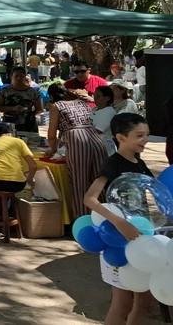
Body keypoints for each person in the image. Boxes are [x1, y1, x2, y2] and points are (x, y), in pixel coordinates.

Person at [83, 113, 154, 325]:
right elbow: (90, 199)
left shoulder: (139, 163)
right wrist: (120, 223)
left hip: (141, 237)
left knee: (143, 301)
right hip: (117, 241)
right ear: (121, 138)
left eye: (147, 135)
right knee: (122, 303)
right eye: (139, 135)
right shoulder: (113, 164)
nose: (145, 140)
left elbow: (156, 191)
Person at [46, 84, 109, 219]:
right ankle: (105, 219)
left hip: (77, 140)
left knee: (79, 182)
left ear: (51, 96)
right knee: (98, 183)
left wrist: (52, 150)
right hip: (96, 139)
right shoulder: (81, 102)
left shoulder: (57, 106)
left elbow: (51, 135)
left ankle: (82, 221)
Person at [0, 122, 37, 195]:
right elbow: (33, 166)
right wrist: (30, 180)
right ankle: (15, 205)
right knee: (25, 183)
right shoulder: (19, 142)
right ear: (10, 133)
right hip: (16, 184)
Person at [0, 67, 43, 133]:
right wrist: (13, 108)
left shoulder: (33, 92)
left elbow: (39, 109)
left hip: (29, 126)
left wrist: (30, 114)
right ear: (11, 77)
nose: (19, 78)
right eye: (16, 76)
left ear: (25, 77)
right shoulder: (4, 91)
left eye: (21, 76)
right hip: (9, 125)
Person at [91, 86, 118, 156]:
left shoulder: (109, 112)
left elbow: (97, 131)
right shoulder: (94, 109)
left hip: (104, 148)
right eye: (94, 95)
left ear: (107, 98)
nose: (95, 98)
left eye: (98, 96)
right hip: (93, 146)